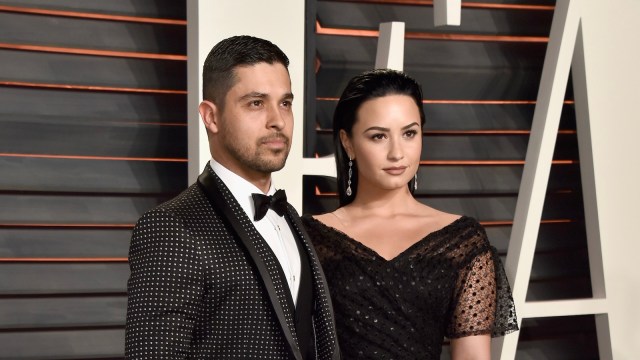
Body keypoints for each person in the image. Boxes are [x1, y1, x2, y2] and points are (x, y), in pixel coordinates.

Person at [125, 35, 340, 360]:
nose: (278, 120)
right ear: (211, 116)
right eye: (256, 103)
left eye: (285, 103)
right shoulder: (170, 227)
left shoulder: (290, 217)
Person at [301, 69, 518, 359]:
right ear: (348, 142)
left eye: (409, 133)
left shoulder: (462, 240)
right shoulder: (310, 237)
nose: (397, 153)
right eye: (378, 136)